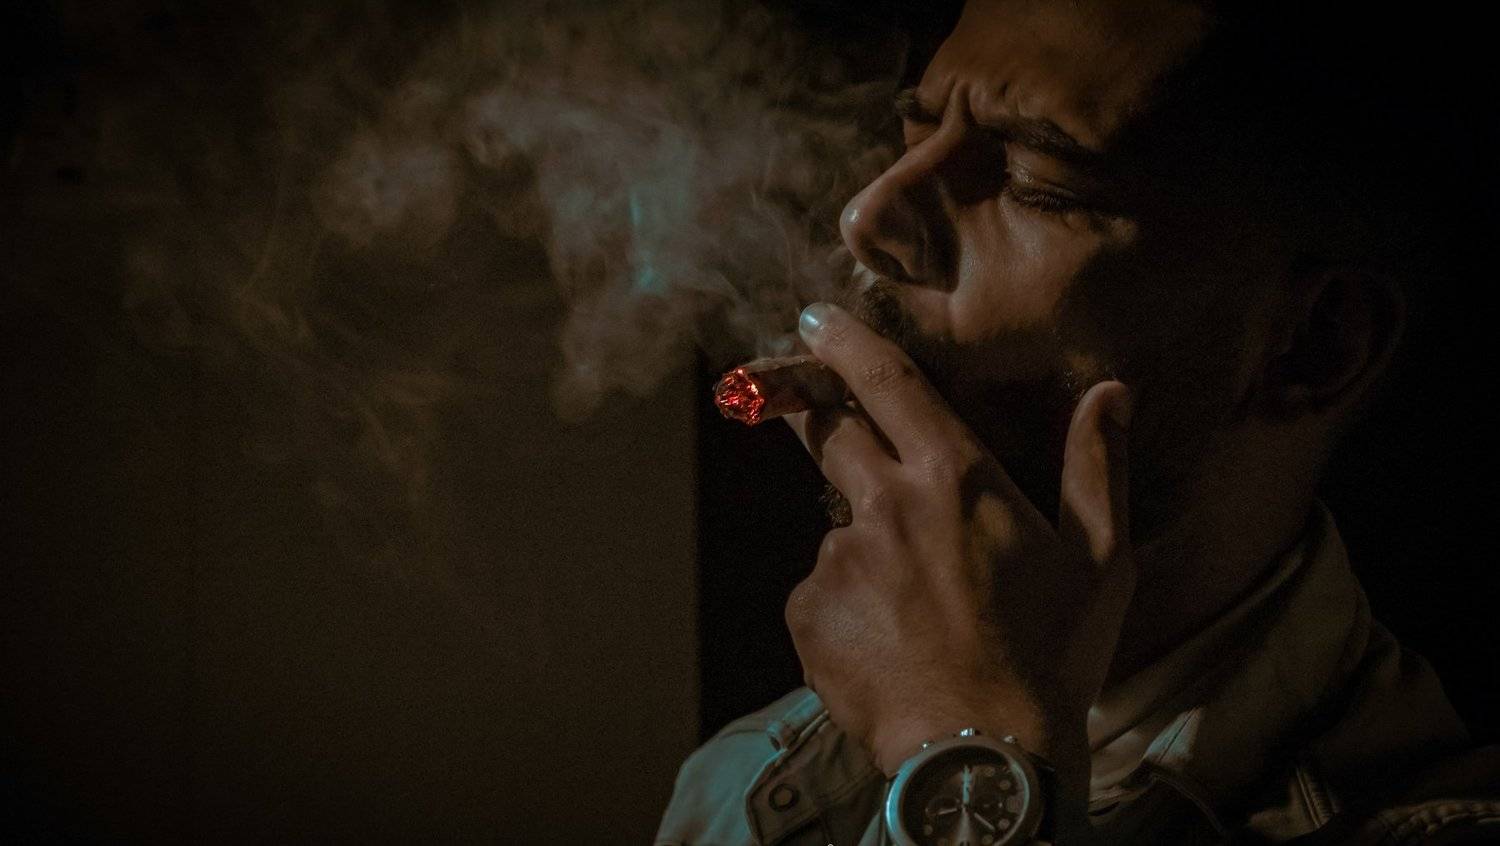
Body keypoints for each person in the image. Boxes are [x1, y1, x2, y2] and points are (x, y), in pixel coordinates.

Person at [658, 0, 1500, 843]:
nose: (867, 218)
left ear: (1316, 344)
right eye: (914, 137)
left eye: (1037, 185)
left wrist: (965, 760)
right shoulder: (738, 784)